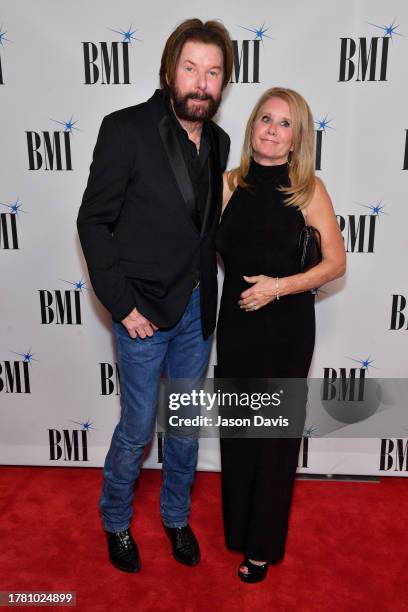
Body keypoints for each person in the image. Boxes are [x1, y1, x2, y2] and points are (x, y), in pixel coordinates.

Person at [77, 19, 232, 573]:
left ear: (223, 83)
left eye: (213, 72)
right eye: (191, 67)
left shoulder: (218, 141)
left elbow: (205, 231)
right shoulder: (126, 128)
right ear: (170, 71)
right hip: (142, 310)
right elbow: (93, 222)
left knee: (185, 426)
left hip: (196, 310)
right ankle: (116, 521)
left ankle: (174, 517)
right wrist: (122, 305)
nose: (201, 81)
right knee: (140, 426)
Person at [215, 87, 346, 583]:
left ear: (297, 139)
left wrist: (279, 287)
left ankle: (262, 546)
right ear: (251, 128)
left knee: (274, 440)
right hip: (237, 324)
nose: (271, 129)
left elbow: (335, 263)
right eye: (264, 119)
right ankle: (238, 530)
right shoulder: (228, 184)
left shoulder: (308, 189)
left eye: (284, 123)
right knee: (242, 432)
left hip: (285, 327)